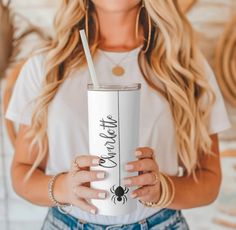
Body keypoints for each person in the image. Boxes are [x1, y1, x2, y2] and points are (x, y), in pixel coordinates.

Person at [5, 0, 232, 229]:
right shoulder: (45, 67)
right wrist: (64, 187)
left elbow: (208, 181)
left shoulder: (186, 68)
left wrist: (163, 189)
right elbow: (23, 173)